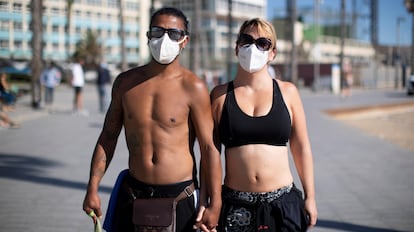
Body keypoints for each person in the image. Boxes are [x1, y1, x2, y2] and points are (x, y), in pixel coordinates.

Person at [82, 7, 222, 232]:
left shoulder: (193, 87)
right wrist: (92, 187)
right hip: (134, 194)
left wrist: (215, 202)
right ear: (148, 35)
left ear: (184, 41)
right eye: (157, 31)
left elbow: (209, 148)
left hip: (180, 196)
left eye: (173, 33)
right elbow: (108, 136)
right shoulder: (125, 83)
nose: (164, 38)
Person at [210, 18, 317, 231]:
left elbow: (301, 147)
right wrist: (213, 201)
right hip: (236, 206)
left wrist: (310, 196)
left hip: (282, 203)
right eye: (246, 40)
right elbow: (211, 153)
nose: (253, 48)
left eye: (262, 43)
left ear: (272, 53)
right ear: (236, 47)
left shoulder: (288, 92)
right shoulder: (220, 96)